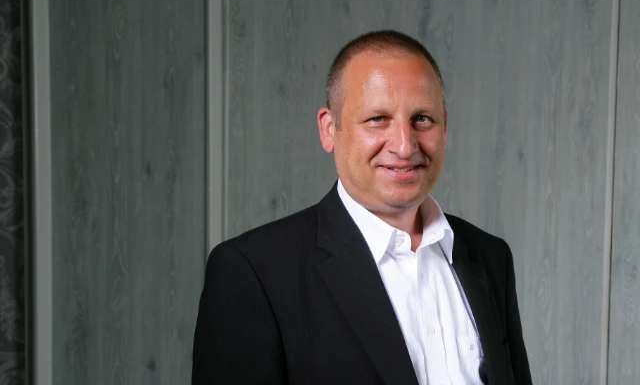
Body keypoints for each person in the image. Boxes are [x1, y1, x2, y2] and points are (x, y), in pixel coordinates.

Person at [192, 30, 532, 385]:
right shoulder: (252, 274)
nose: (404, 146)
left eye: (422, 119)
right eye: (377, 119)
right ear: (329, 129)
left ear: (445, 127)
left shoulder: (491, 257)